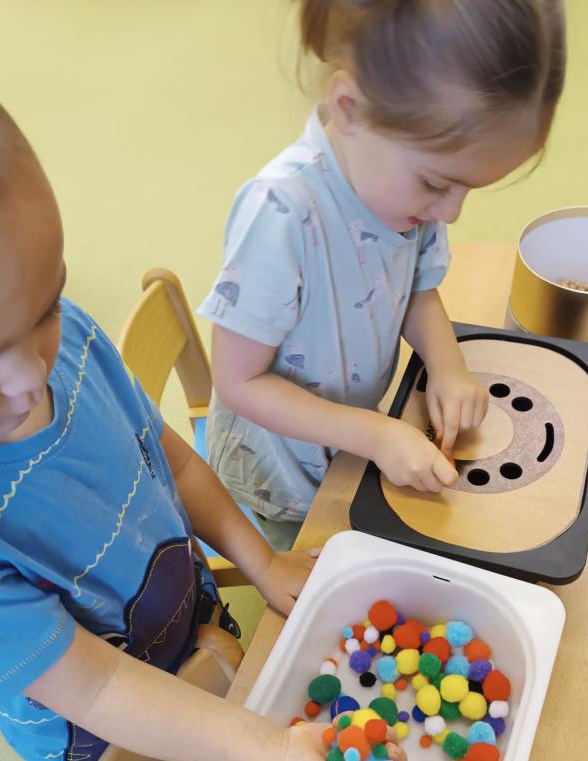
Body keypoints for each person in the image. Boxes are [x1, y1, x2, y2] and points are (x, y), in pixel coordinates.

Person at [0, 72, 406, 761]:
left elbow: (169, 457)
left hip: (194, 618)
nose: (30, 374)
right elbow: (99, 687)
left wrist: (259, 559)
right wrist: (273, 750)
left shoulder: (69, 343)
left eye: (44, 307)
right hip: (115, 745)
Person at [199, 0, 566, 550]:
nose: (451, 213)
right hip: (283, 471)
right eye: (438, 184)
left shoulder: (406, 193)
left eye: (469, 189)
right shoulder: (281, 215)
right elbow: (239, 382)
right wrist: (374, 434)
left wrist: (447, 365)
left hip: (356, 441)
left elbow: (416, 285)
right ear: (349, 109)